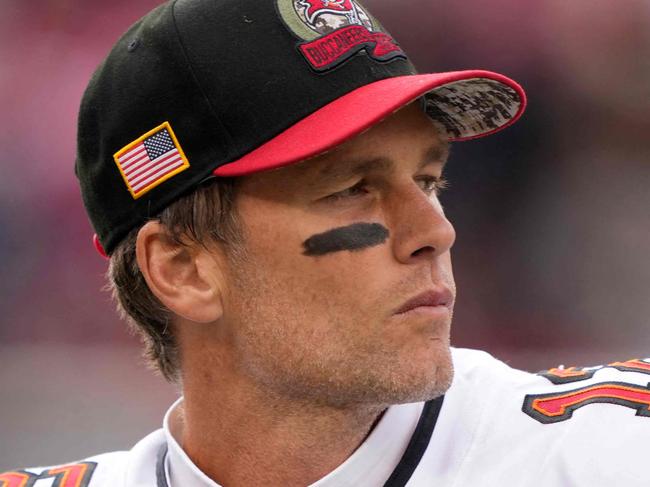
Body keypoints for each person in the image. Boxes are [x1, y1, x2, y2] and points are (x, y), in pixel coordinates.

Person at [3, 0, 648, 486]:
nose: (436, 231)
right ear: (183, 268)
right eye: (351, 188)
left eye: (429, 180)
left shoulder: (614, 452)